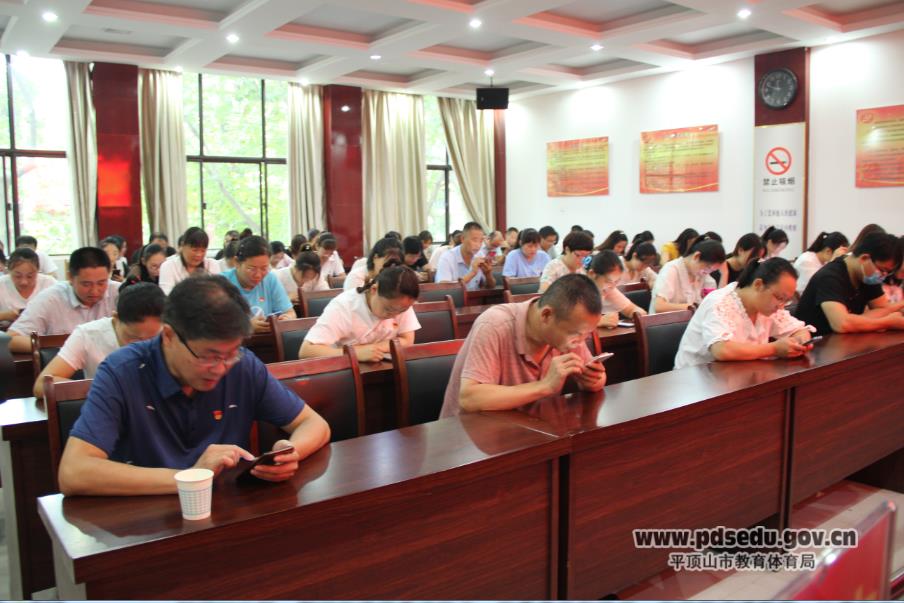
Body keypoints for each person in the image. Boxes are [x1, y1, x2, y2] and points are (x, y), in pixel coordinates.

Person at [56, 276, 330, 496]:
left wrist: (290, 453)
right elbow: (74, 472)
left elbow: (314, 424)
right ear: (168, 336)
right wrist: (192, 477)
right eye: (208, 356)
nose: (221, 368)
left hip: (227, 511)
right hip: (146, 521)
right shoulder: (122, 372)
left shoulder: (243, 366)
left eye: (231, 354)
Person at [439, 274, 606, 417]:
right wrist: (545, 386)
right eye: (576, 334)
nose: (580, 342)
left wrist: (593, 380)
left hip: (533, 429)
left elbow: (594, 376)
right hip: (470, 435)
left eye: (586, 335)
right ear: (546, 315)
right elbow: (469, 398)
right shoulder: (494, 325)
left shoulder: (570, 330)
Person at [674, 258, 814, 369]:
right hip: (696, 383)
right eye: (779, 297)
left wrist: (800, 342)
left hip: (737, 378)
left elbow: (798, 330)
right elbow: (721, 350)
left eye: (786, 300)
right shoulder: (720, 302)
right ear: (758, 285)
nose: (781, 305)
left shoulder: (769, 308)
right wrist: (774, 349)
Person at [33, 283, 166, 397]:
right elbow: (41, 386)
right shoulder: (88, 335)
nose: (142, 346)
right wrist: (104, 388)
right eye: (134, 338)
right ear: (116, 318)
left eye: (152, 339)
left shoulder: (171, 336)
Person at [7, 247, 120, 353]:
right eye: (86, 284)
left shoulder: (119, 293)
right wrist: (63, 347)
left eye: (101, 283)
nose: (95, 291)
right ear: (70, 277)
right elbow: (11, 339)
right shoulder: (50, 299)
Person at [300, 264, 421, 362]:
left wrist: (374, 349)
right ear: (374, 289)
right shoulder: (344, 306)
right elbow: (306, 351)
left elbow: (407, 340)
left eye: (402, 311)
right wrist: (355, 354)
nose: (395, 316)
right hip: (343, 371)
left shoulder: (401, 302)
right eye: (388, 310)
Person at [794, 232, 904, 334]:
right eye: (882, 270)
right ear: (864, 258)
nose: (883, 276)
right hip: (816, 343)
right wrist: (886, 322)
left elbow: (883, 308)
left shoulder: (867, 275)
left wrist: (858, 321)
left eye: (887, 273)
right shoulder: (830, 277)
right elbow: (841, 324)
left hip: (845, 341)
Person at [221, 236, 294, 333]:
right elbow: (212, 326)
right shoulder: (221, 283)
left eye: (264, 268)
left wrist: (286, 318)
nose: (258, 275)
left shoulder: (270, 279)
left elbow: (290, 312)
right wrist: (245, 326)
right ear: (237, 263)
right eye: (252, 268)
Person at [650, 238, 726, 314]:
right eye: (707, 267)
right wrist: (690, 307)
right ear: (696, 256)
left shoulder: (701, 274)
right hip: (667, 320)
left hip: (688, 319)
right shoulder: (671, 269)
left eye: (712, 271)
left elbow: (715, 301)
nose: (707, 273)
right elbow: (659, 306)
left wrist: (725, 273)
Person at [588, 251, 647, 327]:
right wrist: (598, 321)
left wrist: (638, 315)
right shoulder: (577, 288)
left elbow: (631, 310)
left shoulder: (609, 289)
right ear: (592, 274)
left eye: (616, 281)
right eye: (608, 281)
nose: (612, 286)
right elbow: (573, 323)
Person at [0, 248, 57, 325]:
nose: (24, 282)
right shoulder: (1, 284)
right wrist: (6, 315)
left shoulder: (49, 283)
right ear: (9, 271)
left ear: (38, 271)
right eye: (18, 276)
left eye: (30, 276)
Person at [158, 227, 221, 294]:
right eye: (195, 250)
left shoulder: (212, 264)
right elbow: (166, 295)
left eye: (203, 251)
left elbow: (218, 292)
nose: (199, 254)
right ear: (182, 245)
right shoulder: (168, 266)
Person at [435, 222, 496, 291]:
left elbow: (491, 286)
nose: (478, 245)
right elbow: (444, 289)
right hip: (454, 298)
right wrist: (472, 273)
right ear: (462, 239)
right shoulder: (447, 258)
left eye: (481, 241)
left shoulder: (480, 255)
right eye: (475, 240)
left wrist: (488, 274)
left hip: (474, 297)